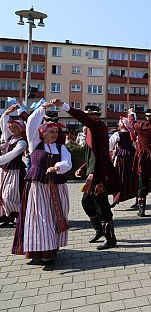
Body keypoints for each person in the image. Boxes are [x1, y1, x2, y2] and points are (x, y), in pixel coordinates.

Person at [12, 100, 72, 265]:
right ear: (42, 133)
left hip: (58, 185)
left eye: (55, 131)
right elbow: (31, 122)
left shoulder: (61, 148)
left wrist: (57, 167)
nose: (53, 134)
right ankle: (40, 251)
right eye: (50, 131)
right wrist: (43, 108)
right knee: (39, 217)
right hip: (38, 187)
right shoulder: (34, 144)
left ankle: (52, 248)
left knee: (56, 215)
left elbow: (68, 163)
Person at [64, 102, 121, 249]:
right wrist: (83, 168)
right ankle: (99, 231)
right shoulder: (91, 129)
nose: (86, 120)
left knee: (103, 207)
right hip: (92, 173)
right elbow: (93, 154)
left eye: (88, 116)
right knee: (87, 203)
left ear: (93, 116)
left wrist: (65, 107)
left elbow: (83, 118)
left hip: (99, 175)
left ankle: (111, 238)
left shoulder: (96, 124)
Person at [0, 105, 28, 227]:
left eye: (16, 127)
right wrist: (7, 113)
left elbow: (13, 154)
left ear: (21, 128)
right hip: (4, 170)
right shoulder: (9, 138)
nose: (12, 129)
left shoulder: (22, 142)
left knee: (12, 194)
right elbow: (3, 124)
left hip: (15, 171)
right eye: (11, 127)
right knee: (3, 194)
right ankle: (7, 217)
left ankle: (18, 216)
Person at [109, 116, 138, 208]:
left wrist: (114, 151)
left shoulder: (117, 135)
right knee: (133, 177)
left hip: (122, 158)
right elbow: (135, 145)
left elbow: (110, 146)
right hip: (132, 157)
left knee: (120, 176)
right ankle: (137, 198)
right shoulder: (132, 133)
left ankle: (116, 198)